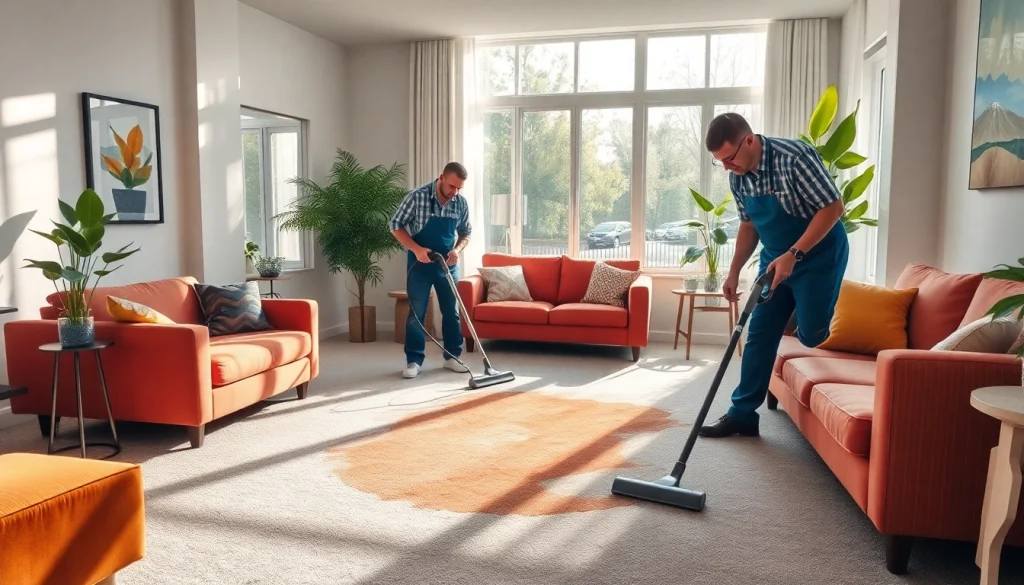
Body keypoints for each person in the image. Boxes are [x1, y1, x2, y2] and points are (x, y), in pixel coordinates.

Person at [698, 113, 849, 438]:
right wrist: (734, 270)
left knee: (811, 335)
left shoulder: (794, 158)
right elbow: (749, 225)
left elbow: (834, 208)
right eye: (720, 162)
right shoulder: (738, 177)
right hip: (774, 258)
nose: (727, 167)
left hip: (819, 253)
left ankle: (805, 304)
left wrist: (794, 255)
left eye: (730, 158)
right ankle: (742, 414)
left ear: (749, 140)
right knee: (759, 332)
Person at [390, 162, 473, 379]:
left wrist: (457, 250)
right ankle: (414, 361)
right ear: (441, 178)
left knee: (451, 312)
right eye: (452, 187)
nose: (455, 193)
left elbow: (465, 233)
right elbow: (395, 225)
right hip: (420, 263)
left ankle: (452, 357)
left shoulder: (460, 203)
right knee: (416, 313)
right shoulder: (417, 197)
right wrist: (416, 249)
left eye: (459, 189)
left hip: (447, 263)